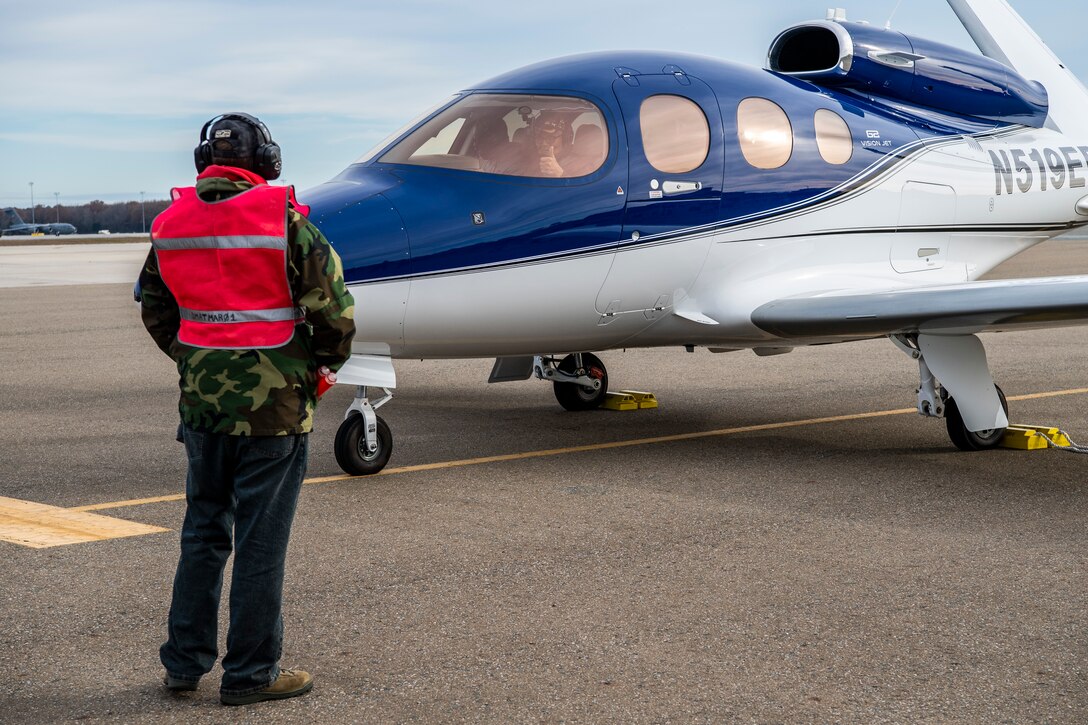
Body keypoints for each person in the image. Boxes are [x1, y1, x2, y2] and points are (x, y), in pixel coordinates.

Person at [138, 112, 356, 706]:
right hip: (276, 410)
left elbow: (156, 311)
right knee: (261, 542)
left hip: (203, 409)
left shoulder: (169, 226)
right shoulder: (284, 224)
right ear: (268, 163)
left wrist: (195, 362)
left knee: (203, 532)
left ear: (202, 162)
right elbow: (334, 314)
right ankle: (251, 674)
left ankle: (183, 665)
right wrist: (319, 368)